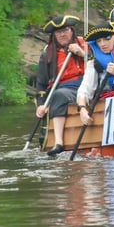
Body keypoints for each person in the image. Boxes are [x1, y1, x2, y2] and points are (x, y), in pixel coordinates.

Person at [35, 15, 88, 156]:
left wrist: (82, 53)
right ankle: (59, 142)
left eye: (65, 30)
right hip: (63, 89)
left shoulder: (85, 44)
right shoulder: (48, 53)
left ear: (71, 30)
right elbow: (41, 83)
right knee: (59, 95)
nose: (62, 34)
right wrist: (41, 104)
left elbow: (99, 64)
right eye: (58, 32)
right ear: (54, 35)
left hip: (86, 83)